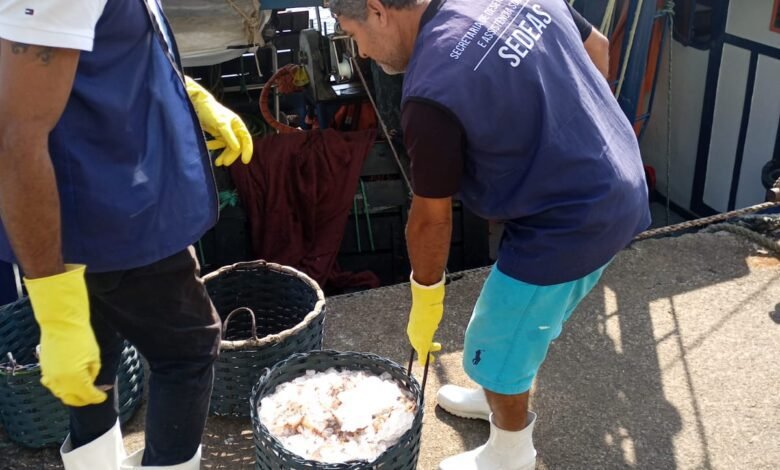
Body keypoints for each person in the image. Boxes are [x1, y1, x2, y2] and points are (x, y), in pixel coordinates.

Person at [330, 0, 650, 468]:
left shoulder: (429, 94)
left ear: (377, 11)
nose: (360, 53)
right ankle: (499, 391)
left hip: (574, 219)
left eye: (352, 34)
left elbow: (432, 219)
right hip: (618, 171)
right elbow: (596, 48)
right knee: (518, 332)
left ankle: (510, 450)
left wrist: (426, 300)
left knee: (497, 337)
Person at [0, 1, 253, 469]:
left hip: (92, 206)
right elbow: (15, 138)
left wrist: (190, 93)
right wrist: (55, 314)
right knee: (188, 349)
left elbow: (96, 46)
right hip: (107, 211)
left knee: (92, 360)